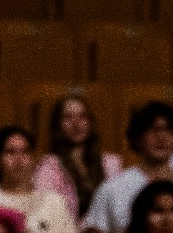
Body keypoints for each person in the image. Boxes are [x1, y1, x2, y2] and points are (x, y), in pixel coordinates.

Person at [82, 101, 173, 233]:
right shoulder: (113, 188)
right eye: (152, 129)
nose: (161, 137)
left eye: (168, 129)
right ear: (138, 138)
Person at [37, 95, 121, 225]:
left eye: (82, 116)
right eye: (68, 117)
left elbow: (119, 208)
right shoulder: (49, 166)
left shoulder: (110, 163)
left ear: (90, 122)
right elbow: (47, 212)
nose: (76, 123)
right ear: (58, 124)